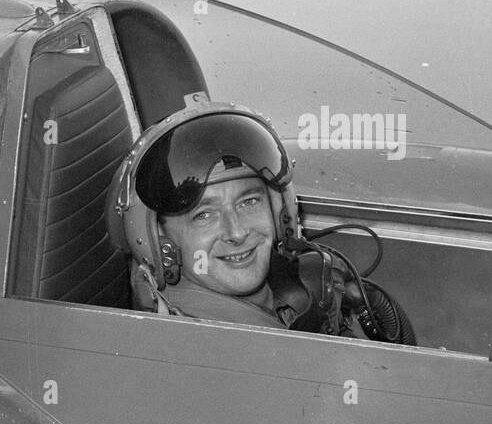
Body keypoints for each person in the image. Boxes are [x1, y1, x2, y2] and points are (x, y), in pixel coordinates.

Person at [107, 96, 413, 340]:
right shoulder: (210, 347)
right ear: (160, 244)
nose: (236, 232)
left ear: (282, 213)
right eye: (204, 215)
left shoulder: (280, 292)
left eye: (249, 201)